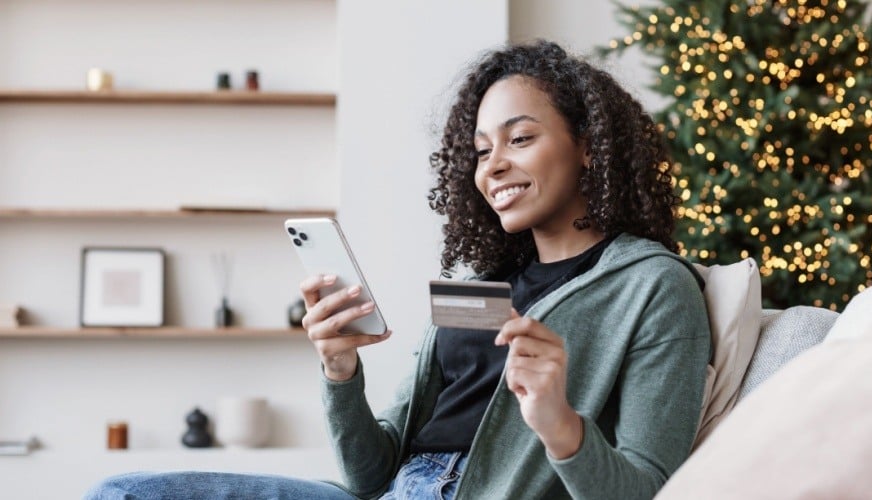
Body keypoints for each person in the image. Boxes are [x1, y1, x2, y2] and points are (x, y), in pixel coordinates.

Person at [85, 40, 711, 500]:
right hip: (394, 494)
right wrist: (340, 371)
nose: (492, 166)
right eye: (480, 150)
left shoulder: (654, 287)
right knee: (122, 492)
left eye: (519, 139)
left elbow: (644, 490)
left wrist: (560, 424)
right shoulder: (481, 288)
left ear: (588, 146)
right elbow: (369, 474)